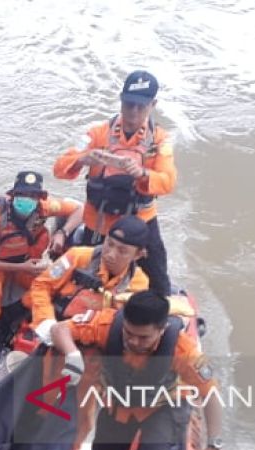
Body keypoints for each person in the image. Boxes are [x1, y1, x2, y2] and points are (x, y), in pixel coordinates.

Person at [50, 291, 223, 450]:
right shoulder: (106, 325)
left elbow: (211, 395)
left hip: (164, 405)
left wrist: (214, 447)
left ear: (161, 330)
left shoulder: (182, 349)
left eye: (143, 337)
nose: (133, 341)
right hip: (121, 402)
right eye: (129, 333)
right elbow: (60, 329)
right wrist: (73, 356)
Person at [52, 70, 177, 295]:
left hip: (141, 220)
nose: (134, 112)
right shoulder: (97, 133)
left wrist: (142, 174)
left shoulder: (160, 141)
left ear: (153, 104)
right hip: (99, 219)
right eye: (129, 104)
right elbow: (59, 168)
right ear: (121, 99)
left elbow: (168, 182)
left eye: (141, 106)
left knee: (157, 276)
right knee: (88, 275)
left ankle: (160, 311)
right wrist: (82, 159)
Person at [0, 171, 83, 366]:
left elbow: (79, 209)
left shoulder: (46, 208)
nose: (27, 200)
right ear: (13, 196)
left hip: (26, 263)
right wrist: (19, 266)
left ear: (39, 198)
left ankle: (12, 315)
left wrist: (62, 233)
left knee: (53, 287)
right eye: (22, 195)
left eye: (32, 196)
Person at [25, 215, 153, 328]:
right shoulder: (76, 256)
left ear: (138, 255)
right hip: (53, 320)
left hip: (91, 332)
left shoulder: (139, 284)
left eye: (122, 251)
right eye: (109, 244)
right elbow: (41, 285)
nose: (110, 254)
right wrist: (46, 321)